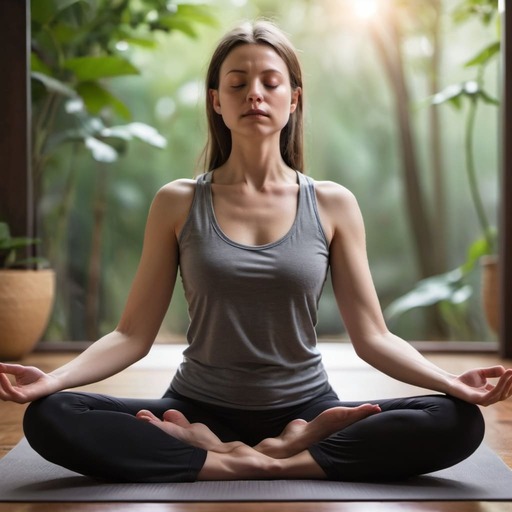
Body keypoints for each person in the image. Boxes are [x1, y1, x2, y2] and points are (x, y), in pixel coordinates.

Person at [1, 20, 511, 484]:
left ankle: (228, 458)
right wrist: (54, 379)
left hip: (306, 411)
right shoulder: (177, 202)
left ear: (294, 99)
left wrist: (452, 383)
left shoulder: (332, 204)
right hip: (196, 406)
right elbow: (132, 334)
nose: (255, 95)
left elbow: (373, 337)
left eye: (270, 82)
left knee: (458, 420)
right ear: (216, 101)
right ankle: (269, 459)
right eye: (237, 83)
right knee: (50, 416)